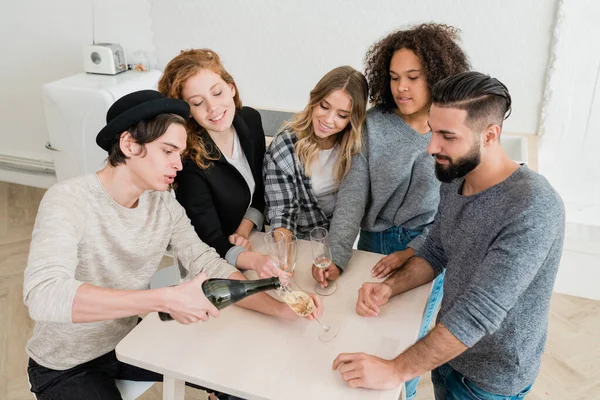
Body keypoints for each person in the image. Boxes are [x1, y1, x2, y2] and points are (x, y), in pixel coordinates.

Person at [24, 90, 322, 400]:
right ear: (129, 144)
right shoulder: (68, 200)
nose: (178, 165)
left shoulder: (162, 203)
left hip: (130, 339)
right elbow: (44, 294)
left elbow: (207, 262)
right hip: (66, 364)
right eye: (167, 151)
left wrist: (280, 310)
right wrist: (163, 299)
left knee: (241, 379)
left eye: (179, 154)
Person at [333, 72, 565, 400]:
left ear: (490, 135)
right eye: (431, 131)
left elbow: (479, 312)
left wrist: (395, 370)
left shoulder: (533, 207)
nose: (431, 147)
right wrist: (390, 287)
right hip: (448, 351)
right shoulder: (455, 179)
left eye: (447, 136)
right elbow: (435, 251)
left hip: (490, 379)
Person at [319, 24, 469, 398]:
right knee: (364, 330)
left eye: (413, 77)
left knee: (411, 341)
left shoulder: (454, 128)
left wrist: (414, 250)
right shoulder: (374, 124)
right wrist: (337, 255)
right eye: (394, 77)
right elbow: (353, 194)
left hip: (428, 251)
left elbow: (452, 214)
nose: (401, 87)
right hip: (373, 242)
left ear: (436, 75)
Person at [158, 49, 280, 279]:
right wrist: (251, 257)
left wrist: (244, 230)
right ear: (188, 112)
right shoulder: (187, 160)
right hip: (211, 261)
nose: (213, 108)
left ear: (231, 88)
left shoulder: (250, 121)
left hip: (249, 241)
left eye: (217, 93)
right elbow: (208, 241)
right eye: (197, 102)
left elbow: (261, 190)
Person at [263, 65, 368, 239]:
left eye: (342, 115)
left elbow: (353, 207)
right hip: (300, 239)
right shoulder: (285, 146)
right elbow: (282, 215)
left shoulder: (357, 147)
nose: (328, 120)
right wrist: (285, 258)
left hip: (342, 239)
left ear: (352, 119)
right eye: (324, 106)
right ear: (314, 100)